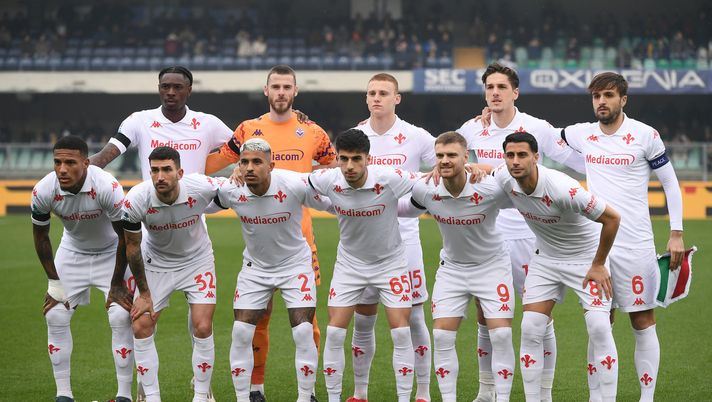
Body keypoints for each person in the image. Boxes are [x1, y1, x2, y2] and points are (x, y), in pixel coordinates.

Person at [90, 66, 233, 402]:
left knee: (201, 324)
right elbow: (109, 153)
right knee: (136, 320)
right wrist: (85, 168)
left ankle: (202, 391)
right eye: (164, 86)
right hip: (152, 227)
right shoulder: (139, 120)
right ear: (158, 89)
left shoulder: (207, 123)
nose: (170, 92)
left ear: (189, 90)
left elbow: (246, 146)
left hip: (193, 211)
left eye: (177, 87)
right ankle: (143, 394)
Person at [206, 64, 336, 402]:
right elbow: (214, 163)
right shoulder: (249, 129)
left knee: (307, 323)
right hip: (259, 240)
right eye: (275, 87)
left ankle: (308, 392)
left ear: (295, 92)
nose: (280, 92)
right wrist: (232, 168)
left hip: (300, 238)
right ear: (266, 91)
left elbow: (333, 170)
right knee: (257, 320)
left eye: (286, 87)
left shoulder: (314, 132)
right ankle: (255, 388)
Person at [456, 63, 585, 402]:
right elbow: (448, 154)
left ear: (515, 92)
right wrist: (467, 166)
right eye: (489, 88)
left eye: (501, 87)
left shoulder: (537, 128)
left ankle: (543, 394)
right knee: (487, 316)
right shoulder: (474, 128)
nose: (495, 93)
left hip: (530, 232)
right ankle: (486, 392)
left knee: (538, 318)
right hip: (488, 233)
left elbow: (574, 161)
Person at [561, 72, 685, 402]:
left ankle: (646, 398)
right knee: (598, 322)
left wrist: (676, 233)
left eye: (608, 95)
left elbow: (670, 183)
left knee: (642, 319)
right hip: (596, 247)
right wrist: (495, 117)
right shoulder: (583, 134)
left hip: (636, 245)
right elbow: (545, 136)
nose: (601, 101)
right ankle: (597, 397)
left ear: (623, 99)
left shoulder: (645, 135)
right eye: (596, 96)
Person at [493, 133, 621, 402]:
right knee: (530, 327)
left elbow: (612, 219)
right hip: (546, 259)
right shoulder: (505, 177)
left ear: (536, 157)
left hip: (587, 260)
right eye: (510, 155)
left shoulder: (564, 188)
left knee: (599, 327)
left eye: (522, 155)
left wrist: (598, 264)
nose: (515, 161)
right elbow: (485, 170)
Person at [399, 132, 516, 402]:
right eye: (440, 155)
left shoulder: (490, 187)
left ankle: (501, 397)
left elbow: (524, 192)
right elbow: (406, 210)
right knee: (440, 336)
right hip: (452, 269)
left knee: (500, 334)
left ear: (466, 157)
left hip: (492, 266)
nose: (444, 160)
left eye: (452, 155)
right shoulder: (425, 188)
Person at [307, 129, 418, 402]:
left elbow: (429, 181)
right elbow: (291, 181)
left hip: (390, 263)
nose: (349, 167)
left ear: (368, 158)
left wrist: (470, 169)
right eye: (343, 159)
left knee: (402, 332)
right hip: (350, 265)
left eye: (356, 159)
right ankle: (347, 397)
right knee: (334, 332)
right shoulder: (327, 179)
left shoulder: (390, 178)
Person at [348, 73, 436, 402]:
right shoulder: (357, 137)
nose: (376, 98)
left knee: (413, 317)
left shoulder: (415, 137)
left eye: (384, 92)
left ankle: (423, 393)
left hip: (406, 238)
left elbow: (443, 163)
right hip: (365, 241)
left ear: (397, 98)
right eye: (371, 92)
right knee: (363, 317)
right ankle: (359, 392)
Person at [31, 135, 134, 402]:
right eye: (57, 162)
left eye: (70, 162)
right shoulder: (43, 190)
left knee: (120, 317)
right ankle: (63, 394)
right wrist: (54, 282)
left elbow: (124, 237)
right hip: (73, 251)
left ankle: (123, 395)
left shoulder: (106, 185)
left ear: (86, 163)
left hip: (113, 251)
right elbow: (41, 237)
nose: (62, 169)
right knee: (54, 316)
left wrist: (116, 284)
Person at [122, 147, 220, 402]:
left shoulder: (199, 186)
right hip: (157, 262)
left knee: (202, 325)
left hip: (197, 260)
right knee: (141, 324)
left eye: (166, 169)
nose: (160, 176)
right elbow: (132, 246)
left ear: (180, 172)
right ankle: (151, 396)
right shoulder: (136, 199)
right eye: (154, 170)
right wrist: (143, 293)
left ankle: (201, 394)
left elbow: (230, 189)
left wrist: (241, 174)